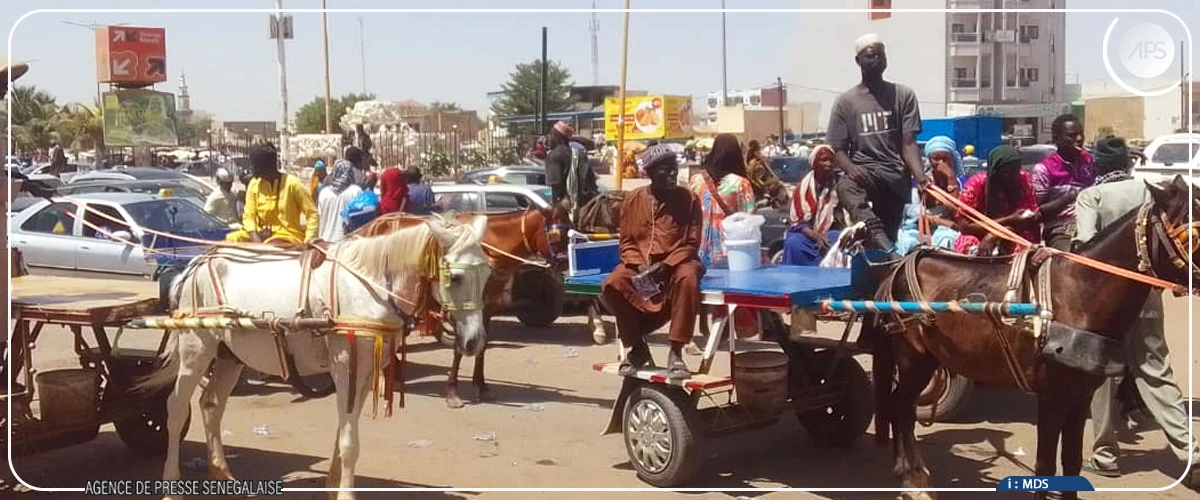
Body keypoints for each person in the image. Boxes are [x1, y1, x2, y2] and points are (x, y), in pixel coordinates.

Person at [1075, 139, 1200, 489]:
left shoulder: (1091, 197)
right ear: (1126, 164)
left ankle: (1105, 455)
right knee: (1156, 371)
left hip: (1105, 304)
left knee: (1102, 377)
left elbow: (1085, 246)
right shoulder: (1148, 193)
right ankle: (1190, 450)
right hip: (1146, 295)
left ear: (1098, 165)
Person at [600, 144, 703, 381]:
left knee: (688, 277)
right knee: (614, 283)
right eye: (665, 169)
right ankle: (637, 347)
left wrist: (666, 265)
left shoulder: (689, 199)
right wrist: (640, 266)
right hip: (642, 267)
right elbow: (627, 242)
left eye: (674, 167)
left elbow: (691, 243)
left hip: (678, 264)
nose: (672, 173)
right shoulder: (633, 199)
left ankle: (676, 352)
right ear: (649, 173)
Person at [827, 34, 931, 256]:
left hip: (894, 178)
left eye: (881, 56)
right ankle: (885, 245)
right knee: (846, 187)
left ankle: (884, 257)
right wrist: (851, 168)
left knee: (880, 245)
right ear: (858, 61)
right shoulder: (845, 102)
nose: (877, 60)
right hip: (865, 174)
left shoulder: (903, 95)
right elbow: (837, 150)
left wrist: (921, 177)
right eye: (871, 56)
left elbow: (909, 143)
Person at [955, 145, 1041, 255]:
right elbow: (965, 227)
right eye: (1007, 171)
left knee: (1022, 248)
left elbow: (1026, 220)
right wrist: (1009, 219)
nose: (1013, 176)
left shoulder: (1023, 180)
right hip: (979, 233)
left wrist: (994, 235)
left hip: (1013, 232)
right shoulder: (977, 184)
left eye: (1016, 170)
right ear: (995, 171)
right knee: (968, 244)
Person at [224, 144, 319, 244]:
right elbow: (249, 215)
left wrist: (309, 239)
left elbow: (312, 213)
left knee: (273, 243)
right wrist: (255, 236)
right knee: (231, 238)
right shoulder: (254, 184)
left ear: (266, 166)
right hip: (260, 233)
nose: (251, 169)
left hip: (287, 234)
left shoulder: (292, 184)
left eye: (254, 165)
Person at [687, 133, 756, 269]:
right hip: (730, 250)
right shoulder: (740, 184)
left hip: (700, 248)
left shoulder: (696, 180)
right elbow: (749, 219)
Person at [1031, 114, 1094, 251]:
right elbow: (1039, 212)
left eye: (1081, 134)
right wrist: (1071, 196)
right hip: (1061, 228)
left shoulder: (1088, 160)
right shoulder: (1044, 169)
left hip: (1092, 222)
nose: (1079, 139)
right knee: (1073, 258)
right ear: (1056, 139)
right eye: (1072, 135)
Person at [893, 135, 963, 255]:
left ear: (952, 159)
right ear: (929, 160)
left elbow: (958, 212)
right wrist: (939, 221)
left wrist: (950, 178)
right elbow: (919, 210)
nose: (941, 163)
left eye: (945, 159)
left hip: (949, 230)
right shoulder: (923, 181)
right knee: (907, 241)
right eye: (936, 159)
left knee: (947, 239)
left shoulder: (961, 183)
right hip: (919, 227)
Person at [782, 144, 850, 266]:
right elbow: (798, 223)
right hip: (806, 233)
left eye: (831, 160)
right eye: (824, 160)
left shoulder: (840, 184)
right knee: (793, 243)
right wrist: (816, 236)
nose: (828, 164)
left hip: (830, 232)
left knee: (838, 240)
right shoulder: (803, 188)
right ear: (814, 163)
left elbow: (844, 216)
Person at [544, 120, 599, 216]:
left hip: (564, 210)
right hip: (587, 207)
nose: (550, 138)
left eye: (551, 134)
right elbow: (591, 179)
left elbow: (555, 185)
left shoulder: (553, 156)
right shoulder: (580, 154)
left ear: (557, 136)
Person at [317, 147, 370, 242]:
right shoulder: (356, 191)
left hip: (325, 242)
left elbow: (319, 216)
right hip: (348, 242)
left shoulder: (324, 192)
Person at [744, 139, 789, 210]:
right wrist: (775, 181)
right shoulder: (758, 167)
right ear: (756, 153)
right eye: (761, 151)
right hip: (762, 197)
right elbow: (761, 184)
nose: (763, 153)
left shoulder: (752, 163)